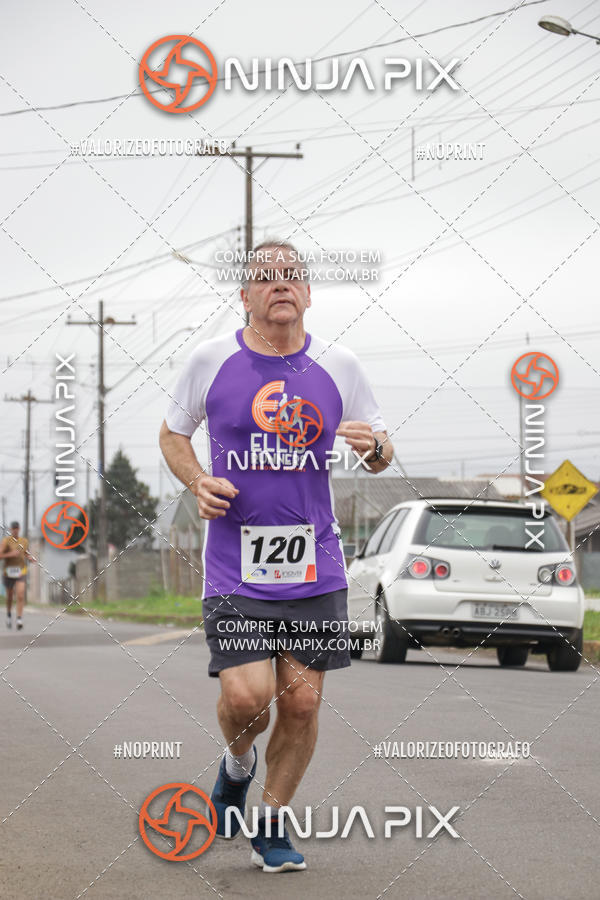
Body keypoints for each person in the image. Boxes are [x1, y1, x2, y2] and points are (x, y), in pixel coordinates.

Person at [159, 240, 393, 873]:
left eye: (292, 277)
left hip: (315, 561)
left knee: (302, 703)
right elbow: (172, 433)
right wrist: (196, 479)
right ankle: (236, 765)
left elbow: (379, 448)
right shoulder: (210, 360)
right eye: (266, 278)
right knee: (246, 699)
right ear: (246, 296)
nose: (280, 286)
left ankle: (269, 821)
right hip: (236, 564)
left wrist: (374, 450)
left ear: (309, 293)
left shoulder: (340, 365)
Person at [1, 521, 32, 630]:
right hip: (8, 572)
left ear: (19, 529)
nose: (15, 530)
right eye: (13, 528)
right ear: (10, 529)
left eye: (17, 528)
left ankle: (19, 618)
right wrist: (10, 554)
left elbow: (26, 553)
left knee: (20, 594)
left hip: (21, 571)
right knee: (9, 596)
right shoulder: (6, 541)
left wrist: (30, 558)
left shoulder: (24, 541)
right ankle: (9, 615)